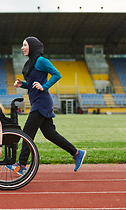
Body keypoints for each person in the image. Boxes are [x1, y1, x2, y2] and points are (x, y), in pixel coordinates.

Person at [6, 36, 86, 175]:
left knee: (27, 133)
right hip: (38, 101)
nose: (22, 47)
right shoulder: (31, 62)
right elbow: (33, 84)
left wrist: (44, 86)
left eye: (25, 45)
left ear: (32, 46)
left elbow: (57, 74)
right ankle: (77, 153)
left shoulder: (41, 60)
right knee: (50, 134)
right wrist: (22, 84)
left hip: (42, 102)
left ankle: (22, 165)